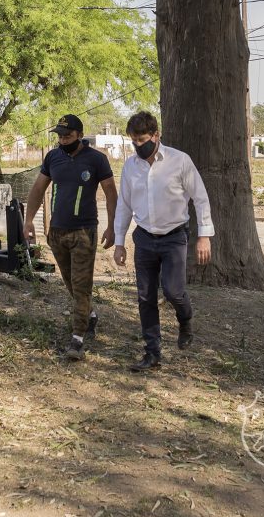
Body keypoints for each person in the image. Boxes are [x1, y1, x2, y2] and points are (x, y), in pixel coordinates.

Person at [113, 111, 214, 371]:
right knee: (145, 296)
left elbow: (200, 198)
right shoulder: (130, 166)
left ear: (156, 135)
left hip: (174, 238)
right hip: (144, 237)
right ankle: (152, 352)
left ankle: (185, 320)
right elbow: (123, 205)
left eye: (142, 139)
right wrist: (119, 241)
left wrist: (204, 236)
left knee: (173, 291)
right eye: (133, 141)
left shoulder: (179, 161)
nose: (137, 145)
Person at [25, 114, 116, 361]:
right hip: (57, 232)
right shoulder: (53, 157)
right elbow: (38, 189)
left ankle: (77, 338)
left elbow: (110, 193)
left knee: (81, 284)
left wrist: (113, 227)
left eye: (67, 135)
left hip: (84, 232)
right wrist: (28, 220)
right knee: (70, 283)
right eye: (60, 136)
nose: (63, 140)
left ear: (79, 134)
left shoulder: (97, 160)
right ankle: (91, 315)